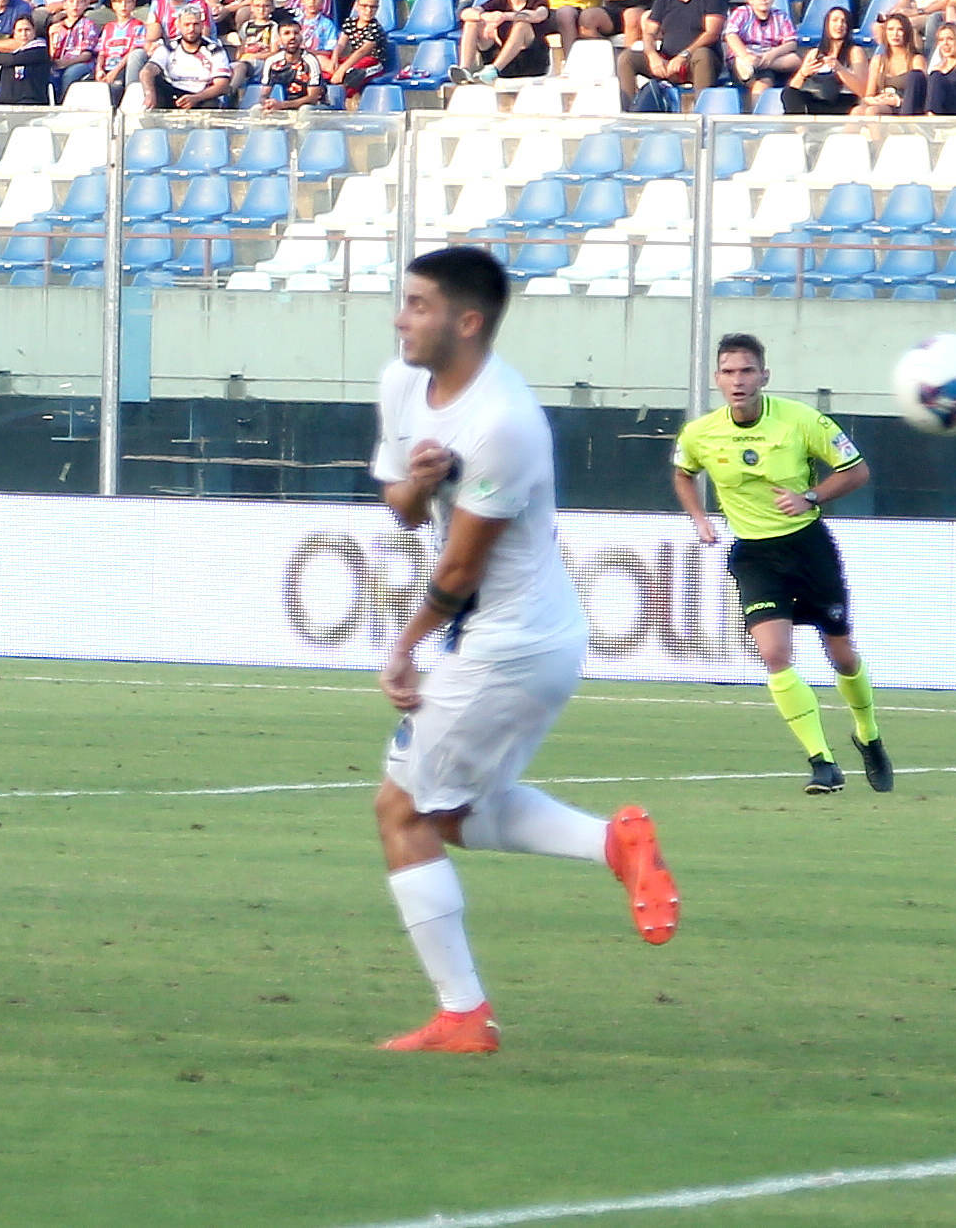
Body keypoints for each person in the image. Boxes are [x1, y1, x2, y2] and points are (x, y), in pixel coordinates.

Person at [370, 246, 678, 1054]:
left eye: (419, 305)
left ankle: (463, 1014)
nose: (402, 317)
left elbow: (462, 565)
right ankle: (613, 842)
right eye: (403, 301)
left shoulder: (504, 422)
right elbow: (402, 509)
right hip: (516, 639)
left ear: (467, 322)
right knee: (458, 810)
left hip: (510, 643)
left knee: (402, 810)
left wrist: (403, 647)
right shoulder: (403, 382)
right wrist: (419, 478)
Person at [671, 332, 890, 797]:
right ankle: (822, 762)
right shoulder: (701, 432)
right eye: (728, 372)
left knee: (842, 656)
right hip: (754, 553)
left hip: (807, 546)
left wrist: (809, 496)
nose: (738, 381)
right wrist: (698, 517)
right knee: (774, 654)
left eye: (747, 371)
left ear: (764, 376)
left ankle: (867, 734)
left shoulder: (801, 421)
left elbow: (857, 471)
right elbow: (683, 471)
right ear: (717, 379)